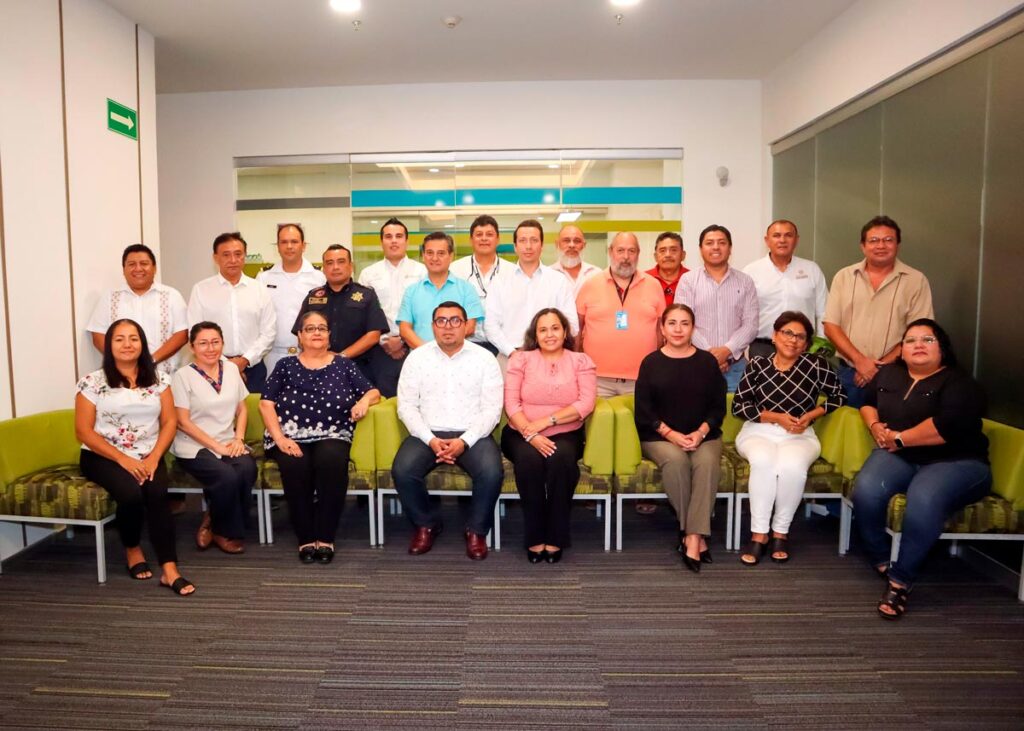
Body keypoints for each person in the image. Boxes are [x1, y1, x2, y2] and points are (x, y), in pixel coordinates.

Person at [852, 319, 991, 620]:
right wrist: (875, 426)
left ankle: (900, 581)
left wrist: (899, 438)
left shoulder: (960, 383)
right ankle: (880, 557)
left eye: (927, 339)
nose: (918, 345)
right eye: (910, 340)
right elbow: (866, 401)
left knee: (923, 498)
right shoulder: (889, 373)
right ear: (901, 350)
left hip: (956, 461)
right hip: (901, 455)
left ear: (942, 348)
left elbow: (944, 427)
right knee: (866, 489)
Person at [74, 319, 193, 596]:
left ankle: (170, 569)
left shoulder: (160, 380)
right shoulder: (92, 382)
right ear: (109, 345)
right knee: (130, 495)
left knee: (158, 494)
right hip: (102, 455)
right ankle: (132, 547)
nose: (127, 344)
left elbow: (169, 422)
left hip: (148, 453)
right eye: (119, 339)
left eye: (133, 338)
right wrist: (122, 459)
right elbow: (83, 431)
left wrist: (154, 457)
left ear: (142, 344)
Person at [259, 311, 380, 564]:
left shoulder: (344, 364)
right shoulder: (285, 365)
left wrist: (363, 402)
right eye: (310, 328)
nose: (317, 333)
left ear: (329, 335)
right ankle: (305, 537)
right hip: (289, 434)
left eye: (322, 328)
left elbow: (373, 392)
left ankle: (325, 537)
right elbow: (266, 403)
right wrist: (280, 439)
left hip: (332, 432)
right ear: (300, 336)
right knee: (295, 464)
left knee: (331, 461)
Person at [732, 311, 845, 566]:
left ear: (806, 344)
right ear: (774, 336)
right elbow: (739, 406)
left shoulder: (816, 366)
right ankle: (759, 534)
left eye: (800, 337)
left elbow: (839, 396)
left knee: (792, 467)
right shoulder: (758, 365)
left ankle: (780, 532)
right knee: (763, 462)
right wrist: (775, 417)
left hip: (799, 435)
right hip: (758, 432)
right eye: (787, 333)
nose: (793, 340)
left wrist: (811, 415)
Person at [393, 302, 504, 560]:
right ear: (433, 326)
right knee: (403, 470)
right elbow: (406, 406)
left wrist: (464, 441)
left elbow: (492, 410)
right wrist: (431, 439)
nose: (448, 327)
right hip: (427, 433)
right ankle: (426, 524)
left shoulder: (485, 359)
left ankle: (476, 531)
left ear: (466, 326)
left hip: (472, 434)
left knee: (491, 472)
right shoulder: (417, 358)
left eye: (455, 321)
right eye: (441, 321)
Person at [634, 304, 726, 572]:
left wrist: (700, 432)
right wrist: (671, 434)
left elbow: (718, 407)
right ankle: (695, 535)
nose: (678, 329)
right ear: (662, 329)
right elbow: (644, 411)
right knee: (676, 462)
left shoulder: (707, 362)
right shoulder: (651, 363)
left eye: (684, 323)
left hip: (704, 435)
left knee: (707, 464)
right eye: (671, 323)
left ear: (693, 328)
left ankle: (691, 536)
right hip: (659, 437)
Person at [501, 308, 596, 563]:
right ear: (535, 334)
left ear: (565, 332)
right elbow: (511, 404)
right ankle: (535, 537)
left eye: (555, 328)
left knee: (561, 460)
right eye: (543, 330)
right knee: (529, 461)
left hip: (566, 433)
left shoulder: (581, 361)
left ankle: (556, 536)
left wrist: (546, 421)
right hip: (520, 432)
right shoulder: (520, 360)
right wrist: (530, 434)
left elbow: (586, 403)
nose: (549, 334)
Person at [823, 215, 933, 408]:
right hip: (849, 373)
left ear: (897, 245)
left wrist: (876, 367)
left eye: (888, 240)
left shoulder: (916, 281)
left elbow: (919, 334)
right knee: (846, 423)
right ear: (863, 246)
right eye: (874, 240)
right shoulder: (844, 276)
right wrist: (860, 361)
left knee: (885, 425)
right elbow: (831, 326)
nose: (881, 245)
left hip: (895, 375)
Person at [170, 321, 257, 555]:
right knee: (226, 475)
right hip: (193, 446)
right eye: (203, 343)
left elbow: (242, 409)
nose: (210, 348)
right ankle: (224, 532)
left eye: (215, 342)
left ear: (222, 343)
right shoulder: (182, 376)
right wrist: (217, 447)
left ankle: (212, 518)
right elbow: (182, 422)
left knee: (247, 468)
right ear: (192, 347)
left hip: (228, 441)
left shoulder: (231, 369)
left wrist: (238, 439)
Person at [576, 232, 666, 398]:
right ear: (610, 252)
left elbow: (661, 331)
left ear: (638, 254)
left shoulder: (654, 285)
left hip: (642, 378)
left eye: (631, 251)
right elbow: (577, 329)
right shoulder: (590, 284)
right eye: (620, 250)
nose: (626, 257)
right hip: (596, 379)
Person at [292, 245, 390, 393]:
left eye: (341, 261)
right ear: (324, 268)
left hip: (360, 369)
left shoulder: (367, 295)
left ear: (351, 266)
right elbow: (301, 333)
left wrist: (340, 358)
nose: (335, 267)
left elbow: (374, 335)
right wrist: (323, 358)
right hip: (319, 371)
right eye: (329, 263)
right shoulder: (313, 297)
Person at [187, 232, 276, 392]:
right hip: (212, 367)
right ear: (215, 258)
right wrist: (227, 365)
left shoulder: (259, 289)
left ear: (245, 256)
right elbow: (195, 333)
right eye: (226, 255)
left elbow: (268, 332)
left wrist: (244, 360)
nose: (233, 260)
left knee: (253, 408)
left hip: (253, 368)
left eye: (238, 254)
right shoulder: (201, 290)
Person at [675, 224, 758, 392]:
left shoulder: (745, 281)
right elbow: (683, 323)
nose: (715, 247)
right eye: (709, 243)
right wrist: (711, 356)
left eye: (721, 242)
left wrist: (727, 351)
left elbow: (751, 324)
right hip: (696, 366)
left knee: (736, 409)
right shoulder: (688, 280)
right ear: (700, 249)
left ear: (730, 248)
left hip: (736, 368)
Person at [485, 219, 578, 368]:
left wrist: (549, 347)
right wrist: (512, 352)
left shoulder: (558, 280)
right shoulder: (499, 281)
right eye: (522, 240)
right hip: (510, 357)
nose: (528, 246)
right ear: (515, 246)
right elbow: (490, 325)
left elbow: (572, 324)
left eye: (534, 240)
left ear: (542, 245)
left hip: (551, 358)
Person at [86, 244, 188, 376]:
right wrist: (121, 362)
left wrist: (151, 360)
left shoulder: (172, 295)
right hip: (120, 376)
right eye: (132, 264)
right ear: (124, 270)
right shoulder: (110, 297)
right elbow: (98, 335)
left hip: (165, 375)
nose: (138, 268)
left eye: (144, 263)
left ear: (154, 268)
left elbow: (182, 334)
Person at [358, 217, 427, 397]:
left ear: (407, 241)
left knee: (415, 398)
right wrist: (384, 340)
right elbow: (364, 315)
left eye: (399, 236)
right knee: (384, 400)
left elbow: (425, 311)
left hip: (415, 347)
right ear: (381, 241)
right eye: (388, 237)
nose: (394, 241)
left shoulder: (422, 272)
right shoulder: (368, 274)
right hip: (380, 350)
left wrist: (403, 339)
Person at [742, 220, 828, 360]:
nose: (782, 240)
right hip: (763, 347)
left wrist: (821, 343)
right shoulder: (751, 271)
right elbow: (742, 314)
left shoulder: (812, 269)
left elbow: (823, 311)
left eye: (788, 235)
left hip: (803, 346)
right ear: (767, 240)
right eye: (776, 235)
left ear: (796, 240)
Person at [256, 223, 326, 374]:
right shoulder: (264, 278)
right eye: (284, 242)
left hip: (310, 354)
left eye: (294, 241)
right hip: (273, 355)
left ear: (303, 245)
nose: (289, 246)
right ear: (277, 246)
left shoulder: (319, 277)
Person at [396, 232, 484, 349]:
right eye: (430, 253)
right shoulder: (411, 291)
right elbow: (404, 329)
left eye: (441, 253)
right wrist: (429, 352)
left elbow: (470, 327)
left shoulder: (467, 289)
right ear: (423, 256)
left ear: (451, 256)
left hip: (458, 356)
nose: (435, 258)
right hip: (422, 356)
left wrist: (445, 350)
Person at [450, 214, 510, 354]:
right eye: (479, 234)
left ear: (498, 239)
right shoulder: (455, 269)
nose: (484, 238)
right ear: (471, 240)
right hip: (466, 344)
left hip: (503, 346)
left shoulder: (511, 271)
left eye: (489, 234)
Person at [551, 224, 601, 296]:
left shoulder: (596, 274)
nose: (572, 245)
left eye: (577, 241)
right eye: (566, 240)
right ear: (557, 244)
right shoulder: (547, 275)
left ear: (584, 245)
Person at [646, 232, 689, 306]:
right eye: (662, 251)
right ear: (655, 256)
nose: (668, 255)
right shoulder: (644, 279)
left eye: (673, 250)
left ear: (683, 255)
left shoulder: (692, 279)